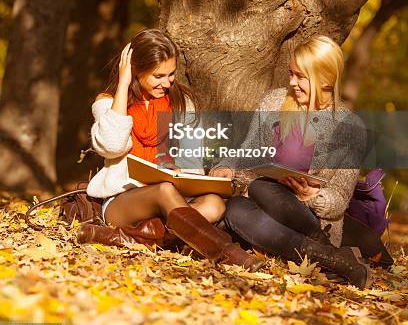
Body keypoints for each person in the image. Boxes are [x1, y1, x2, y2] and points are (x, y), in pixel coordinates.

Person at [78, 29, 263, 271]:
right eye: (158, 76)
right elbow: (111, 147)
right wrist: (123, 85)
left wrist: (183, 173)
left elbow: (191, 162)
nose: (167, 82)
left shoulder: (180, 103)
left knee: (214, 204)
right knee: (163, 189)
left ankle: (130, 238)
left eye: (171, 74)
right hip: (123, 201)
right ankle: (228, 253)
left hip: (174, 200)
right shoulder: (108, 103)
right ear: (136, 70)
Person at [211, 36, 373, 288]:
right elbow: (247, 152)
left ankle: (321, 246)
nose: (292, 82)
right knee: (235, 209)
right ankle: (334, 258)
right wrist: (226, 167)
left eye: (301, 76)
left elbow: (340, 200)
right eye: (291, 73)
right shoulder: (274, 102)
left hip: (308, 216)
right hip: (262, 209)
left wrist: (312, 195)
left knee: (261, 187)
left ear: (327, 79)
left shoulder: (350, 127)